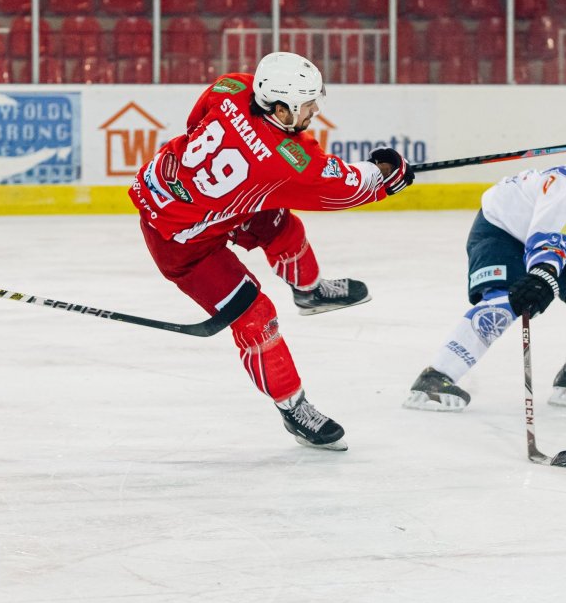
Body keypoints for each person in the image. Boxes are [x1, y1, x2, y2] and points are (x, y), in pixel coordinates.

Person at [129, 52, 414, 451]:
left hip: (186, 199)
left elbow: (196, 124)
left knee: (278, 222)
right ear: (280, 108)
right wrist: (389, 175)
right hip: (181, 243)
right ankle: (293, 407)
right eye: (308, 103)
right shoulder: (285, 162)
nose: (315, 109)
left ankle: (310, 290)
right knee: (256, 318)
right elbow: (347, 188)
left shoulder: (232, 85)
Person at [403, 143, 566, 412]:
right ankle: (435, 378)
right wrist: (542, 277)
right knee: (507, 300)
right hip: (502, 230)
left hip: (547, 239)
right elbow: (551, 240)